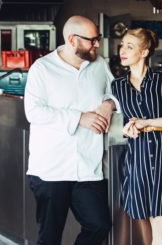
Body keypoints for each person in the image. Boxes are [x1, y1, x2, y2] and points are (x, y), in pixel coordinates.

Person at [24, 15, 119, 245]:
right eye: (92, 40)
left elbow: (115, 92)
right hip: (51, 170)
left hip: (88, 167)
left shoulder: (100, 64)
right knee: (50, 237)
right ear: (72, 40)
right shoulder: (42, 68)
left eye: (98, 39)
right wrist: (79, 118)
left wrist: (109, 104)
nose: (97, 44)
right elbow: (33, 112)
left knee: (99, 225)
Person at [111, 28, 162, 245]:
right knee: (148, 228)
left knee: (161, 232)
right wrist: (126, 128)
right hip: (138, 160)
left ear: (145, 52)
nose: (123, 51)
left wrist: (148, 122)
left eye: (130, 46)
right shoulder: (117, 86)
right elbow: (117, 123)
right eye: (122, 46)